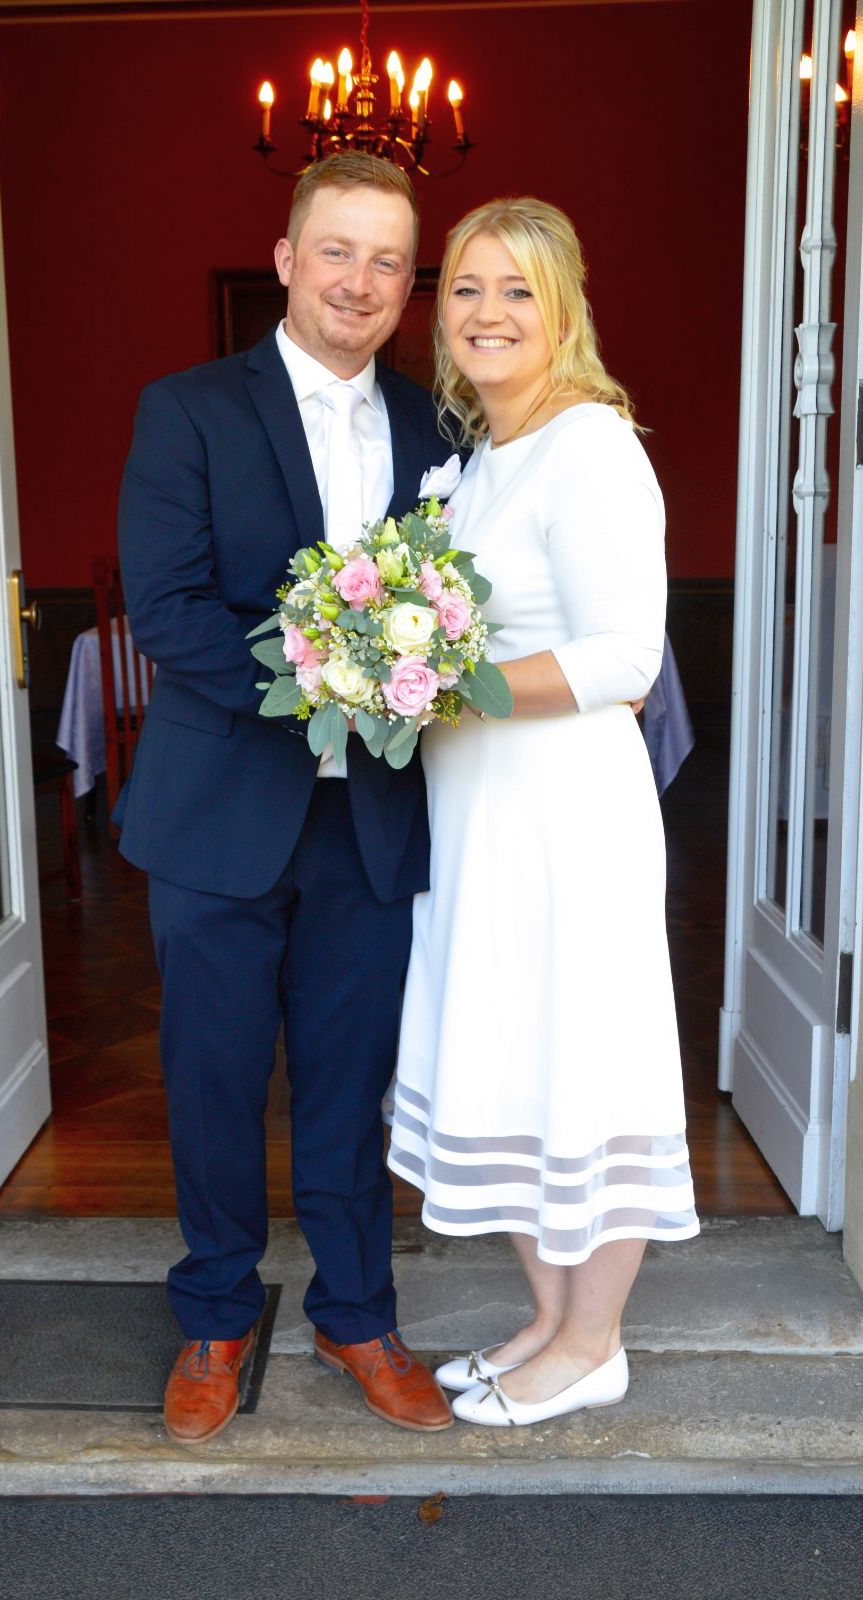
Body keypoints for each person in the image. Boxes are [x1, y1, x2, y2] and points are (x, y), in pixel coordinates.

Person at [116, 153, 453, 1443]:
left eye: (387, 260)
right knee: (211, 1076)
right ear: (286, 260)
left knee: (348, 1082)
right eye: (337, 251)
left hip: (371, 817)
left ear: (406, 284)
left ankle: (356, 1314)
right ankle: (215, 1312)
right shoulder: (188, 409)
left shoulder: (436, 429)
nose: (359, 281)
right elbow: (169, 610)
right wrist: (332, 672)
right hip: (218, 810)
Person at [387, 197, 700, 1428]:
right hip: (478, 816)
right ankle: (549, 1320)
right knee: (511, 1057)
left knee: (588, 1064)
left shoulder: (590, 445)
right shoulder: (473, 463)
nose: (487, 312)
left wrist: (439, 683)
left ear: (562, 306)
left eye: (517, 289)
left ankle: (594, 1342)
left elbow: (626, 657)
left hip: (568, 815)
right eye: (466, 288)